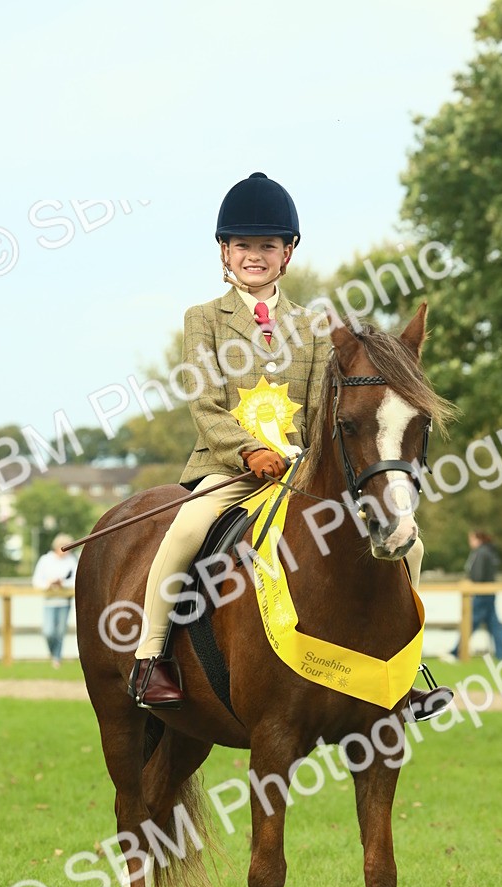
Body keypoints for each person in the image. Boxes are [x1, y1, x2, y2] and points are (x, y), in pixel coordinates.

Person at [130, 171, 452, 722]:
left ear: (288, 253)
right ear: (225, 253)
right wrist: (247, 451)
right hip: (225, 471)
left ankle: (402, 672)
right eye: (244, 246)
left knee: (411, 546)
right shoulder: (203, 320)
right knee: (184, 530)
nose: (255, 255)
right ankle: (150, 655)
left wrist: (303, 456)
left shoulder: (310, 325)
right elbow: (205, 404)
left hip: (297, 473)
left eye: (267, 246)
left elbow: (323, 407)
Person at [444, 530, 502, 661]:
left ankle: (456, 653)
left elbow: (478, 575)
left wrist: (470, 582)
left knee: (470, 623)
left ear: (478, 539)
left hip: (481, 593)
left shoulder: (480, 553)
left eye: (471, 539)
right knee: (494, 625)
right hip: (488, 593)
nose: (470, 542)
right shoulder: (489, 552)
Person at [32, 532, 78, 668]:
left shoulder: (71, 561)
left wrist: (62, 583)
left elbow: (75, 579)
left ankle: (57, 658)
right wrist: (49, 584)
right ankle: (53, 653)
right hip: (49, 601)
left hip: (64, 601)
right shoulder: (45, 560)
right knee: (49, 631)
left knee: (60, 631)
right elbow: (36, 581)